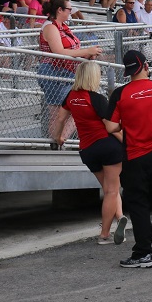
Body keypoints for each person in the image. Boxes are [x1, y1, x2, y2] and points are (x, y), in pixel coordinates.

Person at [104, 50, 152, 268]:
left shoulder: (120, 94)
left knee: (139, 205)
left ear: (128, 71)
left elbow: (110, 126)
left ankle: (143, 254)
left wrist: (130, 126)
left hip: (134, 155)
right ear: (146, 66)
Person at [51, 60, 130, 245]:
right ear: (94, 77)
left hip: (87, 150)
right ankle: (104, 235)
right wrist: (128, 143)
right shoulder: (97, 98)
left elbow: (60, 119)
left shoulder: (70, 96)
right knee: (112, 190)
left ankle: (119, 217)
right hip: (107, 147)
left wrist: (58, 137)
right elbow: (112, 128)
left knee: (109, 188)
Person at [38, 0, 104, 139]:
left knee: (75, 109)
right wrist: (86, 52)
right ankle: (57, 141)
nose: (70, 12)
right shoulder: (50, 27)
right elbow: (59, 52)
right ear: (59, 10)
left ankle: (60, 139)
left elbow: (71, 49)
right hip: (54, 72)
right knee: (57, 113)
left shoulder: (62, 26)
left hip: (66, 73)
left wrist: (86, 55)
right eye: (68, 9)